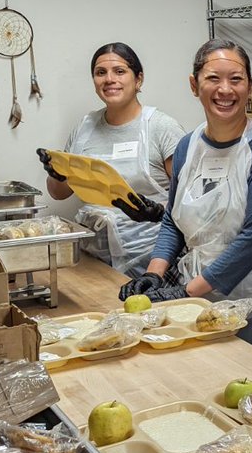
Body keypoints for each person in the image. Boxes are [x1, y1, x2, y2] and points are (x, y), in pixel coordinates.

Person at [119, 38, 252, 354]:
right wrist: (154, 274)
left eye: (236, 79)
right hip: (197, 295)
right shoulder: (188, 146)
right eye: (213, 78)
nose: (225, 90)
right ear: (194, 84)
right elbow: (174, 221)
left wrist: (186, 292)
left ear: (249, 86)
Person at [36, 42, 184, 277]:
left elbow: (190, 198)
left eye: (120, 71)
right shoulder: (85, 127)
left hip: (154, 261)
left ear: (139, 79)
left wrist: (158, 210)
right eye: (100, 72)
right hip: (95, 259)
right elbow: (59, 193)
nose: (109, 79)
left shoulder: (160, 127)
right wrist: (56, 173)